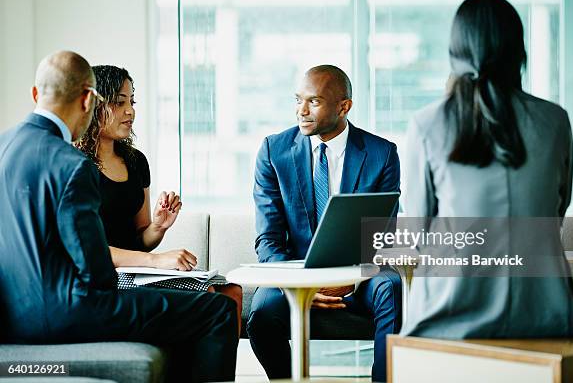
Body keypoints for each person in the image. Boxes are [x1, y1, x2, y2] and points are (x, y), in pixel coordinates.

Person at [0, 51, 238, 382]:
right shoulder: (72, 164)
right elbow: (97, 273)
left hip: (11, 315)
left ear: (36, 94)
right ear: (88, 99)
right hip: (66, 313)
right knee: (219, 311)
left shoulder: (3, 146)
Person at [402, 0, 573, 338]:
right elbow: (557, 211)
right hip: (546, 312)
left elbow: (418, 229)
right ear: (518, 51)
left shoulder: (427, 124)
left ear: (456, 53)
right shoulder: (554, 121)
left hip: (449, 316)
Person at [248, 64, 402, 382]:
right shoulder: (273, 151)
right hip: (295, 273)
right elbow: (268, 239)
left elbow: (382, 237)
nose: (301, 111)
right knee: (261, 312)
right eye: (298, 100)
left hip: (361, 275)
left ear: (343, 106)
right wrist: (299, 285)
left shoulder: (382, 153)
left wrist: (350, 279)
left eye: (314, 101)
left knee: (391, 288)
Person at [74, 65, 242, 330]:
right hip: (101, 276)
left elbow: (140, 240)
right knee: (209, 298)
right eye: (119, 102)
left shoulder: (136, 161)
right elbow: (87, 251)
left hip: (135, 270)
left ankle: (215, 374)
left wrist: (158, 227)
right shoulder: (75, 166)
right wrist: (158, 261)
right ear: (94, 106)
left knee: (231, 292)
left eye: (132, 101)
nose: (130, 111)